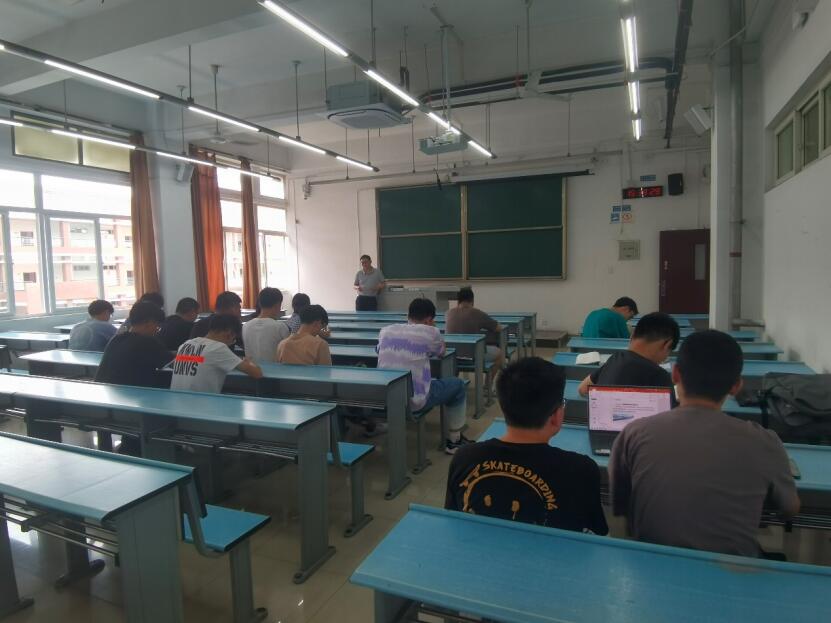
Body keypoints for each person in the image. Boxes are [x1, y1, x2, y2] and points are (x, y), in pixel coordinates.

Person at [609, 330, 800, 557]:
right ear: (736, 386)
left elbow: (620, 503)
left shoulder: (634, 432)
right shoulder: (765, 441)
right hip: (732, 569)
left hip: (651, 564)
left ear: (675, 374)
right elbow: (789, 509)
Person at [445, 357, 608, 534]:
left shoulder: (464, 457)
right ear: (556, 416)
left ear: (503, 406)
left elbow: (452, 521)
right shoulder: (581, 470)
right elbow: (598, 533)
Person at [377, 298, 470, 454]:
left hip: (387, 398)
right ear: (428, 320)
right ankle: (454, 441)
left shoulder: (386, 330)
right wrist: (434, 332)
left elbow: (378, 350)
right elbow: (442, 353)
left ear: (409, 315)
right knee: (458, 385)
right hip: (414, 401)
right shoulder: (431, 332)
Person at [578, 312, 679, 401]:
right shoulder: (660, 376)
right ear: (667, 345)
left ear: (632, 335)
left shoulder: (615, 359)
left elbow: (582, 388)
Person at [171, 314, 262, 393]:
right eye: (233, 339)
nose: (231, 342)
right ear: (229, 333)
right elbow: (257, 373)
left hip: (175, 402)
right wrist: (249, 362)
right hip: (200, 404)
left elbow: (201, 360)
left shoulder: (185, 345)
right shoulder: (217, 348)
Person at [95, 301, 172, 389]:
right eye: (158, 327)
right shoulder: (147, 342)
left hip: (105, 390)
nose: (157, 331)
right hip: (131, 394)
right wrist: (183, 354)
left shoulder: (116, 339)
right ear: (149, 323)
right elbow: (174, 363)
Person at [445, 287, 505, 387]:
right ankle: (487, 386)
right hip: (472, 355)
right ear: (472, 300)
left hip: (452, 355)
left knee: (460, 350)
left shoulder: (448, 313)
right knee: (500, 354)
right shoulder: (477, 313)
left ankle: (452, 384)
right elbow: (498, 328)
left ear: (458, 300)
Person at [243, 288, 290, 362]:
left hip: (251, 368)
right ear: (278, 305)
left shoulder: (245, 326)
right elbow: (287, 352)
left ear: (260, 304)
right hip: (274, 368)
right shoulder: (280, 327)